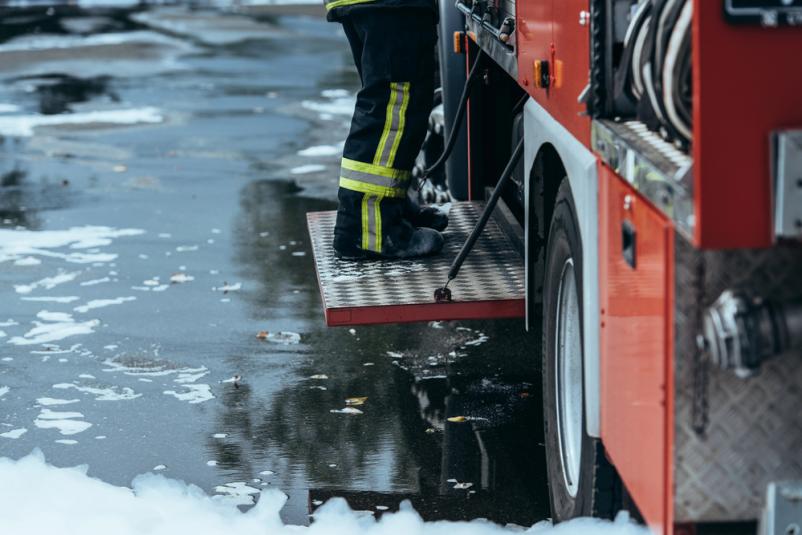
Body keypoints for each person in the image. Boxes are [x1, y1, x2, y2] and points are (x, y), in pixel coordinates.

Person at [325, 0, 448, 260]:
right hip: (387, 5)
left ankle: (389, 208)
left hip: (380, 5)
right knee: (392, 108)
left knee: (399, 107)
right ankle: (370, 231)